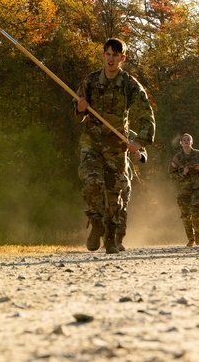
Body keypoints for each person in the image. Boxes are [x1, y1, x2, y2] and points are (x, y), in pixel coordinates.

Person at [74, 38, 155, 254]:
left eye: (115, 55)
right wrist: (80, 109)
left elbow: (146, 115)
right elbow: (76, 116)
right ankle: (95, 222)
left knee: (114, 194)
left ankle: (111, 237)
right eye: (108, 54)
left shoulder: (130, 85)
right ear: (103, 56)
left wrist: (140, 141)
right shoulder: (89, 82)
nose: (111, 58)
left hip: (117, 145)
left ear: (122, 58)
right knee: (91, 180)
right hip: (92, 141)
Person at [169, 133, 199, 247]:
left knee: (195, 211)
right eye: (184, 140)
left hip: (197, 188)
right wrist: (182, 173)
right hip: (184, 190)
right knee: (185, 216)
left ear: (192, 142)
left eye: (188, 140)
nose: (186, 141)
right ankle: (190, 239)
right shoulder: (177, 158)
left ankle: (197, 232)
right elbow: (171, 173)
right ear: (181, 143)